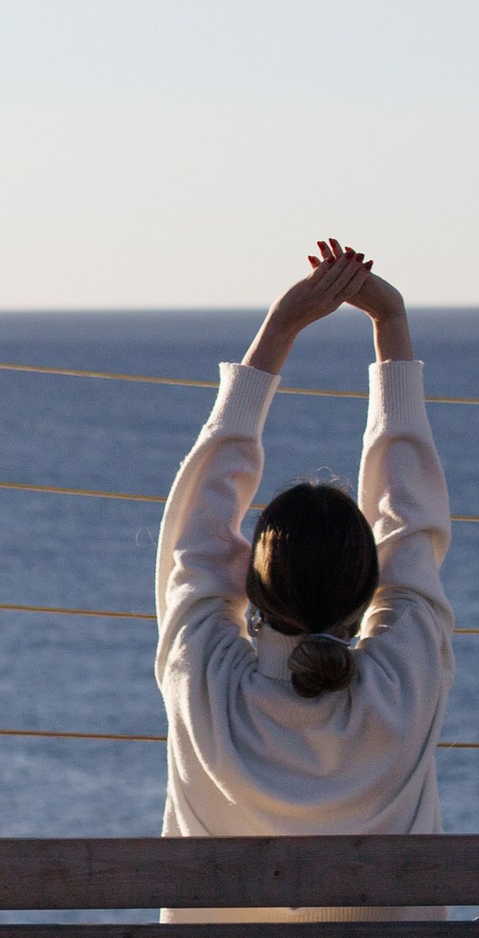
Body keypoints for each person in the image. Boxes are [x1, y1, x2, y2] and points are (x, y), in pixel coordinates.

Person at [154, 237, 454, 856]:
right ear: (368, 587)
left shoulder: (204, 681)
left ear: (250, 579)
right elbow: (410, 520)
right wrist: (390, 322)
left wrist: (281, 328)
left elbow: (196, 532)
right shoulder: (405, 684)